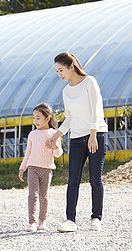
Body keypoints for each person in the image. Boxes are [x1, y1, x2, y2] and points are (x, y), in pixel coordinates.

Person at [48, 52, 108, 232]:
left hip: (95, 135)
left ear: (71, 66)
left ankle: (96, 218)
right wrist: (56, 135)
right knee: (73, 179)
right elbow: (69, 119)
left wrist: (92, 135)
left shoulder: (90, 82)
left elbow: (97, 111)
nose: (59, 74)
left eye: (61, 70)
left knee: (95, 179)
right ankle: (70, 220)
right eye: (57, 71)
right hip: (76, 139)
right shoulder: (66, 91)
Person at [19, 103, 63, 232]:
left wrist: (55, 147)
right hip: (32, 168)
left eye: (38, 118)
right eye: (34, 118)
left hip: (47, 169)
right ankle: (31, 222)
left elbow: (58, 154)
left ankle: (42, 221)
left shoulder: (54, 134)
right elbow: (27, 153)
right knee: (32, 195)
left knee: (44, 196)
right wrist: (23, 168)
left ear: (47, 118)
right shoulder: (32, 134)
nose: (35, 121)